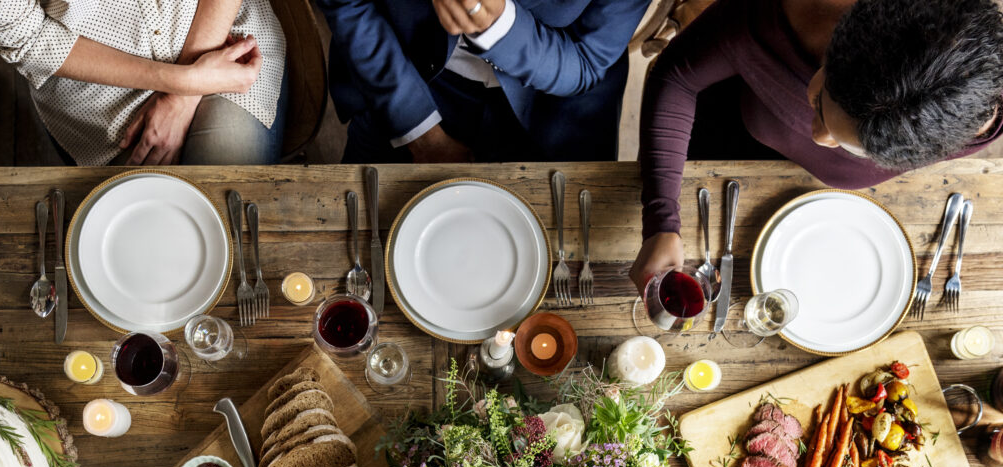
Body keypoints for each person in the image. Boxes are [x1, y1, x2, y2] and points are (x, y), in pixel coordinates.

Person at [631, 0, 1003, 290]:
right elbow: (676, 76)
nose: (818, 137)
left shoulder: (975, 111)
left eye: (854, 147)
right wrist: (662, 220)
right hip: (723, 129)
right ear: (836, 44)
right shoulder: (791, 11)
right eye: (819, 104)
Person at [316, 0, 651, 163]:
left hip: (558, 108)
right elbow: (349, 6)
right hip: (400, 73)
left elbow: (587, 60)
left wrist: (498, 27)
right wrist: (420, 132)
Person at [0, 0, 288, 166]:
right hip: (104, 89)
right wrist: (186, 80)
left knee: (224, 199)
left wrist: (181, 95)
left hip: (220, 39)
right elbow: (27, 36)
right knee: (151, 227)